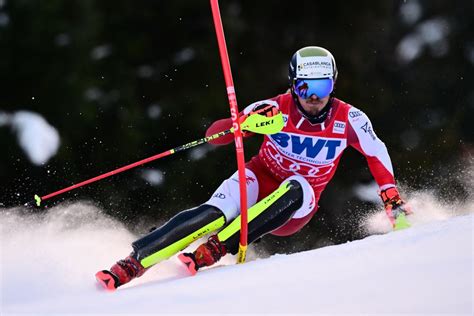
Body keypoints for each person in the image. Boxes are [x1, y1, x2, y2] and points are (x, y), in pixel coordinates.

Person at [96, 46, 412, 290]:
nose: (315, 99)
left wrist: (391, 198)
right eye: (305, 89)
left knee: (297, 185)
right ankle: (133, 263)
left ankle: (218, 247)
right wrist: (244, 125)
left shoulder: (349, 119)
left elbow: (376, 151)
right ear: (293, 85)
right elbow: (214, 135)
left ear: (334, 85)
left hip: (295, 206)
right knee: (211, 214)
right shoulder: (274, 108)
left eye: (323, 87)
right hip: (259, 177)